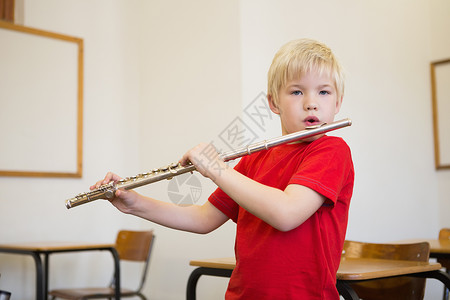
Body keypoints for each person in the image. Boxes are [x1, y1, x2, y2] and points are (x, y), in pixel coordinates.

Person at [93, 38, 354, 299]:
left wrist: (217, 170)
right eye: (297, 92)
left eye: (324, 92)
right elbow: (203, 218)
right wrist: (134, 203)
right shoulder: (256, 159)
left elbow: (286, 213)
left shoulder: (332, 151)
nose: (311, 103)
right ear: (274, 103)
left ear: (338, 102)